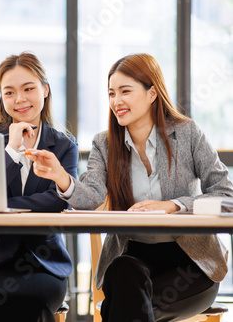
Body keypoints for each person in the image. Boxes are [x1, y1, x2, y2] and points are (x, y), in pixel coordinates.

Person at [27, 53, 233, 321]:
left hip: (191, 262)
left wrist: (174, 205)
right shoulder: (105, 143)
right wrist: (61, 178)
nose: (116, 101)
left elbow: (226, 195)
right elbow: (91, 198)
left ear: (152, 93)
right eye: (111, 93)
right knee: (125, 274)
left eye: (126, 91)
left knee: (123, 306)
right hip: (133, 257)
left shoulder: (187, 133)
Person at [0, 52, 78, 322]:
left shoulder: (63, 145)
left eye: (28, 89)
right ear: (2, 97)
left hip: (44, 265)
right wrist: (11, 150)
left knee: (31, 305)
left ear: (45, 90)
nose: (19, 99)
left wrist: (0, 207)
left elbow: (58, 201)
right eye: (9, 92)